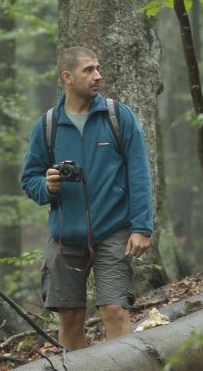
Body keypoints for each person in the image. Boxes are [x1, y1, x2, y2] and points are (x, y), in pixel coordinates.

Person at [21, 46, 153, 350]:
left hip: (114, 230)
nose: (98, 76)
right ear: (67, 77)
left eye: (98, 68)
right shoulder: (47, 126)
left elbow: (139, 175)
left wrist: (142, 227)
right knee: (69, 316)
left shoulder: (118, 117)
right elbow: (29, 180)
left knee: (115, 310)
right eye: (89, 70)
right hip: (65, 236)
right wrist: (48, 187)